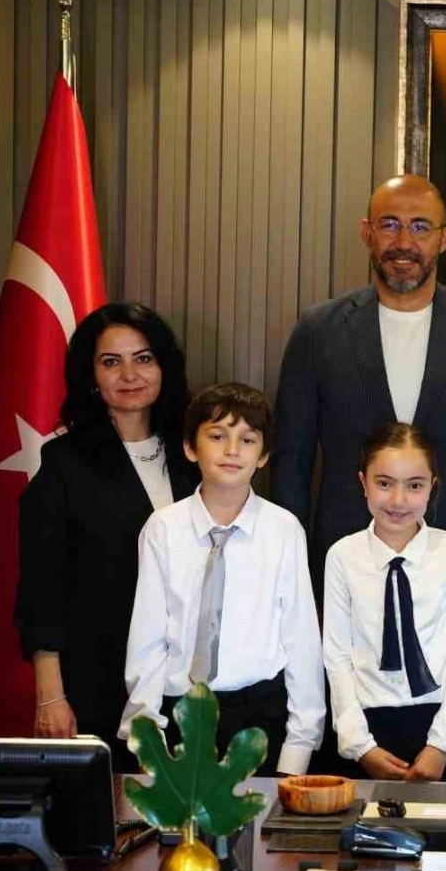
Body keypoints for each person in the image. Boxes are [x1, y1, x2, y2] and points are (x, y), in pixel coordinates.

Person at [271, 174, 446, 591]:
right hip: (342, 565)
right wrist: (292, 572)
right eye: (389, 224)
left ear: (445, 238)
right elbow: (291, 460)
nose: (404, 241)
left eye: (420, 227)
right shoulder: (318, 330)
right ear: (367, 233)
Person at [17, 302, 197, 771]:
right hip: (98, 680)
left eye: (143, 358)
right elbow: (42, 588)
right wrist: (50, 695)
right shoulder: (65, 463)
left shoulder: (197, 453)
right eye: (111, 362)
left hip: (189, 686)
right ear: (91, 376)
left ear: (164, 366)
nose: (129, 374)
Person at [120, 383, 325, 775]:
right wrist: (146, 737)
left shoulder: (283, 530)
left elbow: (301, 640)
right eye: (217, 436)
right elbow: (147, 639)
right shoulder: (163, 528)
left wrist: (299, 747)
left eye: (247, 440)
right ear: (190, 447)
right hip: (179, 712)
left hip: (259, 715)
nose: (232, 450)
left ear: (263, 455)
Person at [321, 423, 446, 782]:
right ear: (363, 483)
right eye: (384, 483)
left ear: (432, 487)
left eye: (414, 485)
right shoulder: (343, 556)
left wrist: (441, 744)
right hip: (366, 725)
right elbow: (336, 657)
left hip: (440, 724)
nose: (398, 500)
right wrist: (360, 746)